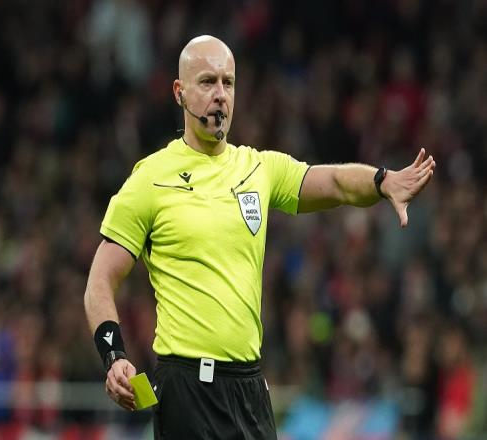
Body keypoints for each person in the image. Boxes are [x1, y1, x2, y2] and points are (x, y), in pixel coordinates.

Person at [83, 35, 436, 439]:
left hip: (249, 389)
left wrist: (383, 181)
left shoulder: (258, 168)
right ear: (179, 92)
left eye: (228, 83)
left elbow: (335, 182)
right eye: (207, 82)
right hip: (187, 388)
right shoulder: (151, 178)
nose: (220, 94)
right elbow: (100, 280)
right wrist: (114, 355)